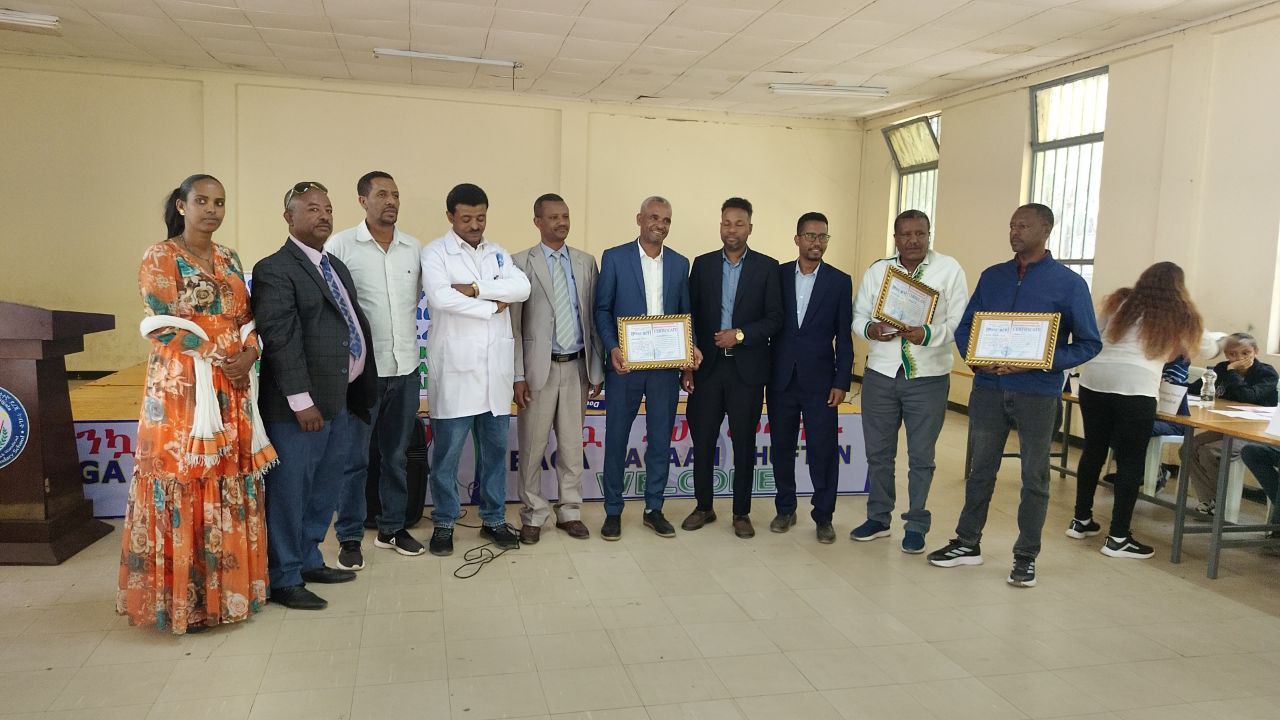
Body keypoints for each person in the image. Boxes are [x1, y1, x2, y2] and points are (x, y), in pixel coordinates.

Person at [118, 174, 276, 633]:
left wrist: (249, 353)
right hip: (182, 388)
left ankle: (227, 597)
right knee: (185, 475)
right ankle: (184, 603)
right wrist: (218, 355)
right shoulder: (161, 255)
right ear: (182, 206)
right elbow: (160, 323)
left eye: (219, 202)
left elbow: (247, 318)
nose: (212, 209)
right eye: (202, 201)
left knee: (229, 474)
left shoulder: (229, 258)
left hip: (233, 385)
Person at [928, 203, 1101, 588]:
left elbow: (1089, 343)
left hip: (1038, 394)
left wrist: (1041, 362)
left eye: (1023, 226)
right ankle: (967, 542)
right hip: (989, 390)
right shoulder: (993, 277)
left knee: (1034, 477)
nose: (1014, 232)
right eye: (1011, 226)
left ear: (1046, 230)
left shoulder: (1069, 284)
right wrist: (977, 361)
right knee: (979, 470)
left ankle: (1025, 557)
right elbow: (966, 327)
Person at [253, 181, 377, 610]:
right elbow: (281, 340)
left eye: (327, 209)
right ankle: (283, 577)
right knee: (290, 492)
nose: (323, 216)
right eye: (311, 209)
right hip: (299, 410)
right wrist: (301, 401)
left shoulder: (334, 266)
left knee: (324, 488)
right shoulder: (275, 269)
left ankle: (307, 558)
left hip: (338, 399)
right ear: (288, 217)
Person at [1066, 262, 1204, 559]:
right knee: (1130, 462)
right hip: (1136, 388)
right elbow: (1184, 352)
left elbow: (1095, 334)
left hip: (1094, 380)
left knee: (1093, 450)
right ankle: (1118, 538)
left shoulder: (1121, 300)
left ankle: (1080, 520)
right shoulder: (1180, 313)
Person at [421, 183, 530, 556]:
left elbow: (522, 288)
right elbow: (441, 297)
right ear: (450, 216)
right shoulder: (435, 252)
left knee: (494, 454)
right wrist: (492, 304)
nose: (474, 225)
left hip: (494, 374)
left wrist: (473, 289)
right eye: (466, 218)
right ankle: (444, 522)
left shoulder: (497, 252)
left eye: (480, 217)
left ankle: (493, 519)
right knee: (447, 457)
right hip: (456, 372)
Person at [848, 210, 967, 553]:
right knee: (878, 453)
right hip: (881, 375)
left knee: (922, 457)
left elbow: (960, 321)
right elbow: (858, 316)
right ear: (896, 238)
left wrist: (928, 333)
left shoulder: (949, 269)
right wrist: (871, 330)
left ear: (929, 235)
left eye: (920, 233)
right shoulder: (878, 271)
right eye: (906, 234)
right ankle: (878, 518)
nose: (913, 240)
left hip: (928, 377)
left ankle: (915, 524)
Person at [325, 171, 425, 570]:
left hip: (405, 368)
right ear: (362, 200)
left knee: (396, 456)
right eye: (382, 194)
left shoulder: (413, 248)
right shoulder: (341, 246)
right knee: (355, 459)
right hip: (361, 373)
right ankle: (350, 536)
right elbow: (332, 306)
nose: (391, 201)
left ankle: (392, 529)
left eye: (395, 194)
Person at [594, 196, 699, 540]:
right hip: (625, 366)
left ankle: (654, 508)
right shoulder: (614, 257)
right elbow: (602, 310)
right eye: (654, 217)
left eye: (666, 220)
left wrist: (688, 361)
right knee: (616, 438)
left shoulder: (680, 263)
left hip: (665, 369)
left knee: (659, 439)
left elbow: (685, 315)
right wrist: (612, 348)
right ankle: (613, 510)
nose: (660, 225)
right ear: (639, 219)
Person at [682, 197, 783, 539]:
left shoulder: (767, 267)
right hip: (707, 369)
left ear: (750, 228)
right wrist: (688, 363)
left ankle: (741, 512)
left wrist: (740, 335)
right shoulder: (703, 265)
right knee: (703, 441)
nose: (732, 229)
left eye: (739, 224)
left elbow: (775, 319)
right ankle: (703, 507)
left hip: (747, 373)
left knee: (743, 444)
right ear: (720, 226)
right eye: (726, 223)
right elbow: (690, 315)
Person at [510, 193, 605, 543]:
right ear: (537, 222)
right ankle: (533, 514)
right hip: (538, 370)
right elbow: (514, 327)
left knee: (571, 446)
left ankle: (570, 511)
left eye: (565, 216)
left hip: (577, 367)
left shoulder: (585, 262)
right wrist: (518, 375)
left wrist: (597, 369)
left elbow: (594, 318)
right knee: (532, 448)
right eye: (553, 217)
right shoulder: (520, 263)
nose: (561, 222)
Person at [767, 212, 853, 543]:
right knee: (782, 447)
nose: (817, 242)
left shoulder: (839, 281)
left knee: (823, 450)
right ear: (797, 239)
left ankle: (824, 516)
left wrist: (841, 381)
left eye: (823, 237)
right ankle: (785, 508)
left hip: (821, 383)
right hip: (781, 379)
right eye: (810, 236)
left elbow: (843, 336)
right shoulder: (777, 275)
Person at [1186, 332, 1278, 516]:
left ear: (1256, 351)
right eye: (1233, 354)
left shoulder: (1267, 373)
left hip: (1255, 432)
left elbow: (1249, 397)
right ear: (1226, 354)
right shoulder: (1222, 368)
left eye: (1246, 353)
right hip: (1227, 426)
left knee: (1208, 451)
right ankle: (1210, 499)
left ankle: (1221, 501)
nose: (1239, 358)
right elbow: (1195, 389)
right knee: (1189, 447)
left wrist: (1233, 373)